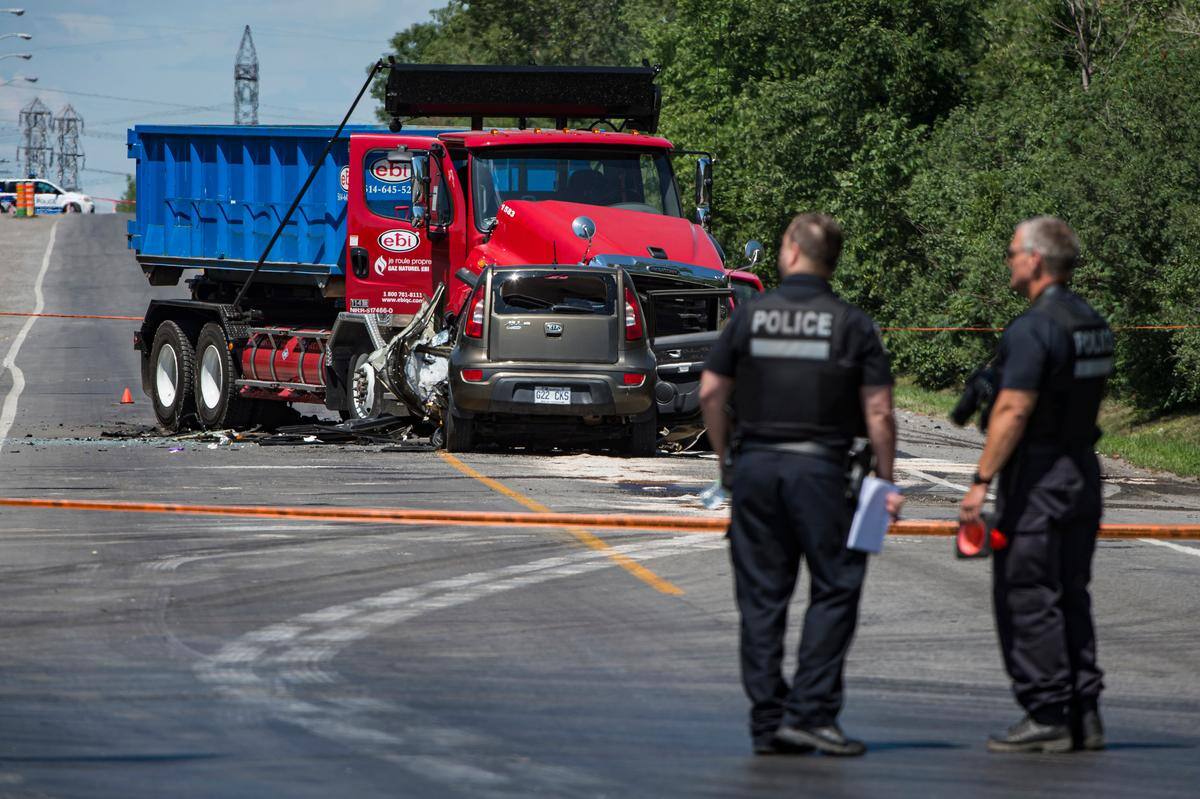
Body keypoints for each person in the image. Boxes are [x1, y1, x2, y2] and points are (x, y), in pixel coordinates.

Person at [700, 212, 902, 757]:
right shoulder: (853, 324)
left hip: (758, 470)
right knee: (836, 588)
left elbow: (711, 393)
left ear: (790, 251)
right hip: (825, 473)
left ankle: (769, 722)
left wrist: (726, 461)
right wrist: (885, 483)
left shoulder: (751, 316)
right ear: (830, 260)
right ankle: (810, 714)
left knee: (762, 598)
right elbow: (879, 412)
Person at [958, 216, 1113, 754]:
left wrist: (981, 481)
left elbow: (1014, 407)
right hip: (1081, 471)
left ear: (1036, 260)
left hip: (1041, 475)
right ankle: (1084, 711)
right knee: (1071, 591)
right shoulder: (1091, 321)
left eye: (1011, 253)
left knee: (1028, 592)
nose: (1008, 261)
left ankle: (1047, 710)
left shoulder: (1033, 328)